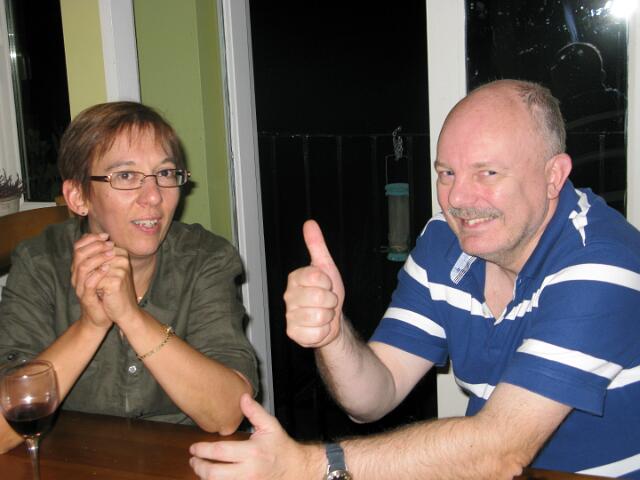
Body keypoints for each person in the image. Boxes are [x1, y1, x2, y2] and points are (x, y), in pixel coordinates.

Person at [188, 79, 640, 479]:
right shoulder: (445, 241)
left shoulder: (602, 262)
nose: (457, 198)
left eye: (487, 173)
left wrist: (308, 467)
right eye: (447, 173)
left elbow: (499, 451)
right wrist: (332, 335)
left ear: (553, 176)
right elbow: (374, 395)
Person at [0, 102, 258, 453]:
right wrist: (91, 326)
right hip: (75, 461)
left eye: (165, 173)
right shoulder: (40, 264)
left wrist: (131, 317)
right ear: (78, 196)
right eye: (125, 176)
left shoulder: (205, 259)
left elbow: (227, 414)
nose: (154, 197)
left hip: (183, 460)